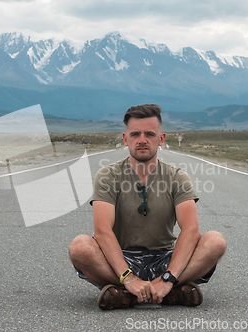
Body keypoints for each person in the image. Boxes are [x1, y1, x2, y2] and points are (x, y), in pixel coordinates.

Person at [68, 104, 227, 310]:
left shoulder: (177, 177)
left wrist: (168, 277)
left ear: (161, 139)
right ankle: (158, 293)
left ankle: (131, 295)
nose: (142, 140)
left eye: (149, 134)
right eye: (135, 134)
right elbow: (103, 231)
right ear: (125, 139)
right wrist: (129, 277)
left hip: (165, 259)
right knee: (80, 247)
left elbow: (190, 230)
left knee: (215, 241)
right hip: (121, 259)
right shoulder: (108, 176)